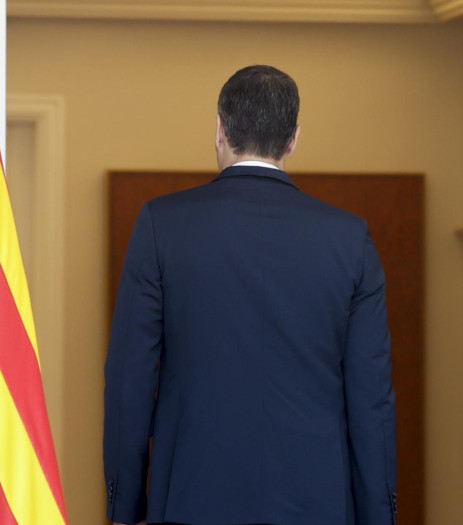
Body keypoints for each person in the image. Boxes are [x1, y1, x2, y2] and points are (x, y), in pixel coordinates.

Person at [103, 65, 398, 525]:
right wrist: (379, 515)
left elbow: (130, 381)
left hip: (190, 500)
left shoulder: (162, 225)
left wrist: (124, 509)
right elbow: (371, 398)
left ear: (220, 129)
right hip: (316, 505)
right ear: (293, 139)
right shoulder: (349, 238)